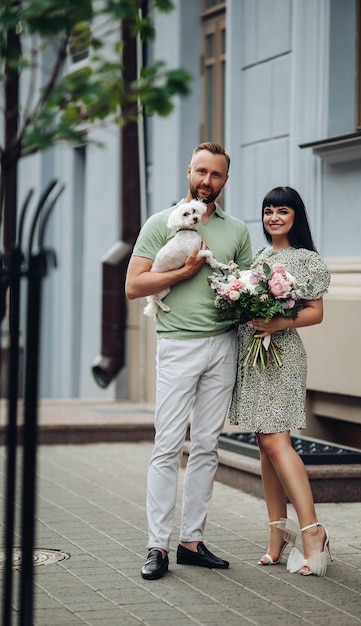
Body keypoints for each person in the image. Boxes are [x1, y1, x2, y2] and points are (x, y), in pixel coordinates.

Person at [125, 142, 252, 580]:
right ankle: (156, 546)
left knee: (207, 447)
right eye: (201, 172)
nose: (206, 181)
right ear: (188, 171)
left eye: (216, 175)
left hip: (223, 345)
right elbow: (133, 285)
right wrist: (182, 274)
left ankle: (191, 542)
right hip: (178, 344)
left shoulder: (236, 230)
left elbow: (247, 284)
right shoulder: (161, 223)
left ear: (225, 180)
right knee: (167, 445)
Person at [228, 186, 332, 577]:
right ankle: (276, 538)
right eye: (268, 211)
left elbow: (316, 313)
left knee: (276, 439)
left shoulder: (305, 260)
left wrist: (278, 322)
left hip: (282, 358)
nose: (274, 217)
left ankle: (312, 533)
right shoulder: (259, 258)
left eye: (282, 211)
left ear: (295, 216)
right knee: (263, 443)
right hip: (254, 358)